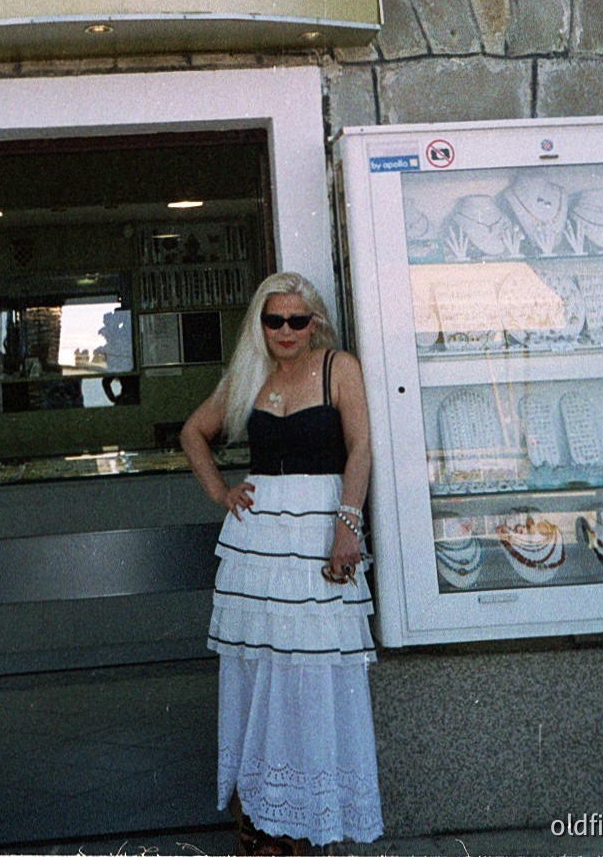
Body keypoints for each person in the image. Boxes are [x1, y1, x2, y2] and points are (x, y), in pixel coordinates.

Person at [181, 272, 384, 856]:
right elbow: (194, 432)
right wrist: (221, 492)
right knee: (259, 672)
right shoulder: (249, 374)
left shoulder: (338, 367)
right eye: (275, 321)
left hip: (322, 537)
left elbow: (361, 447)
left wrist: (347, 524)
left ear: (314, 320)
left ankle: (301, 824)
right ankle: (259, 824)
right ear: (260, 324)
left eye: (298, 319)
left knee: (313, 674)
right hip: (260, 545)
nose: (287, 331)